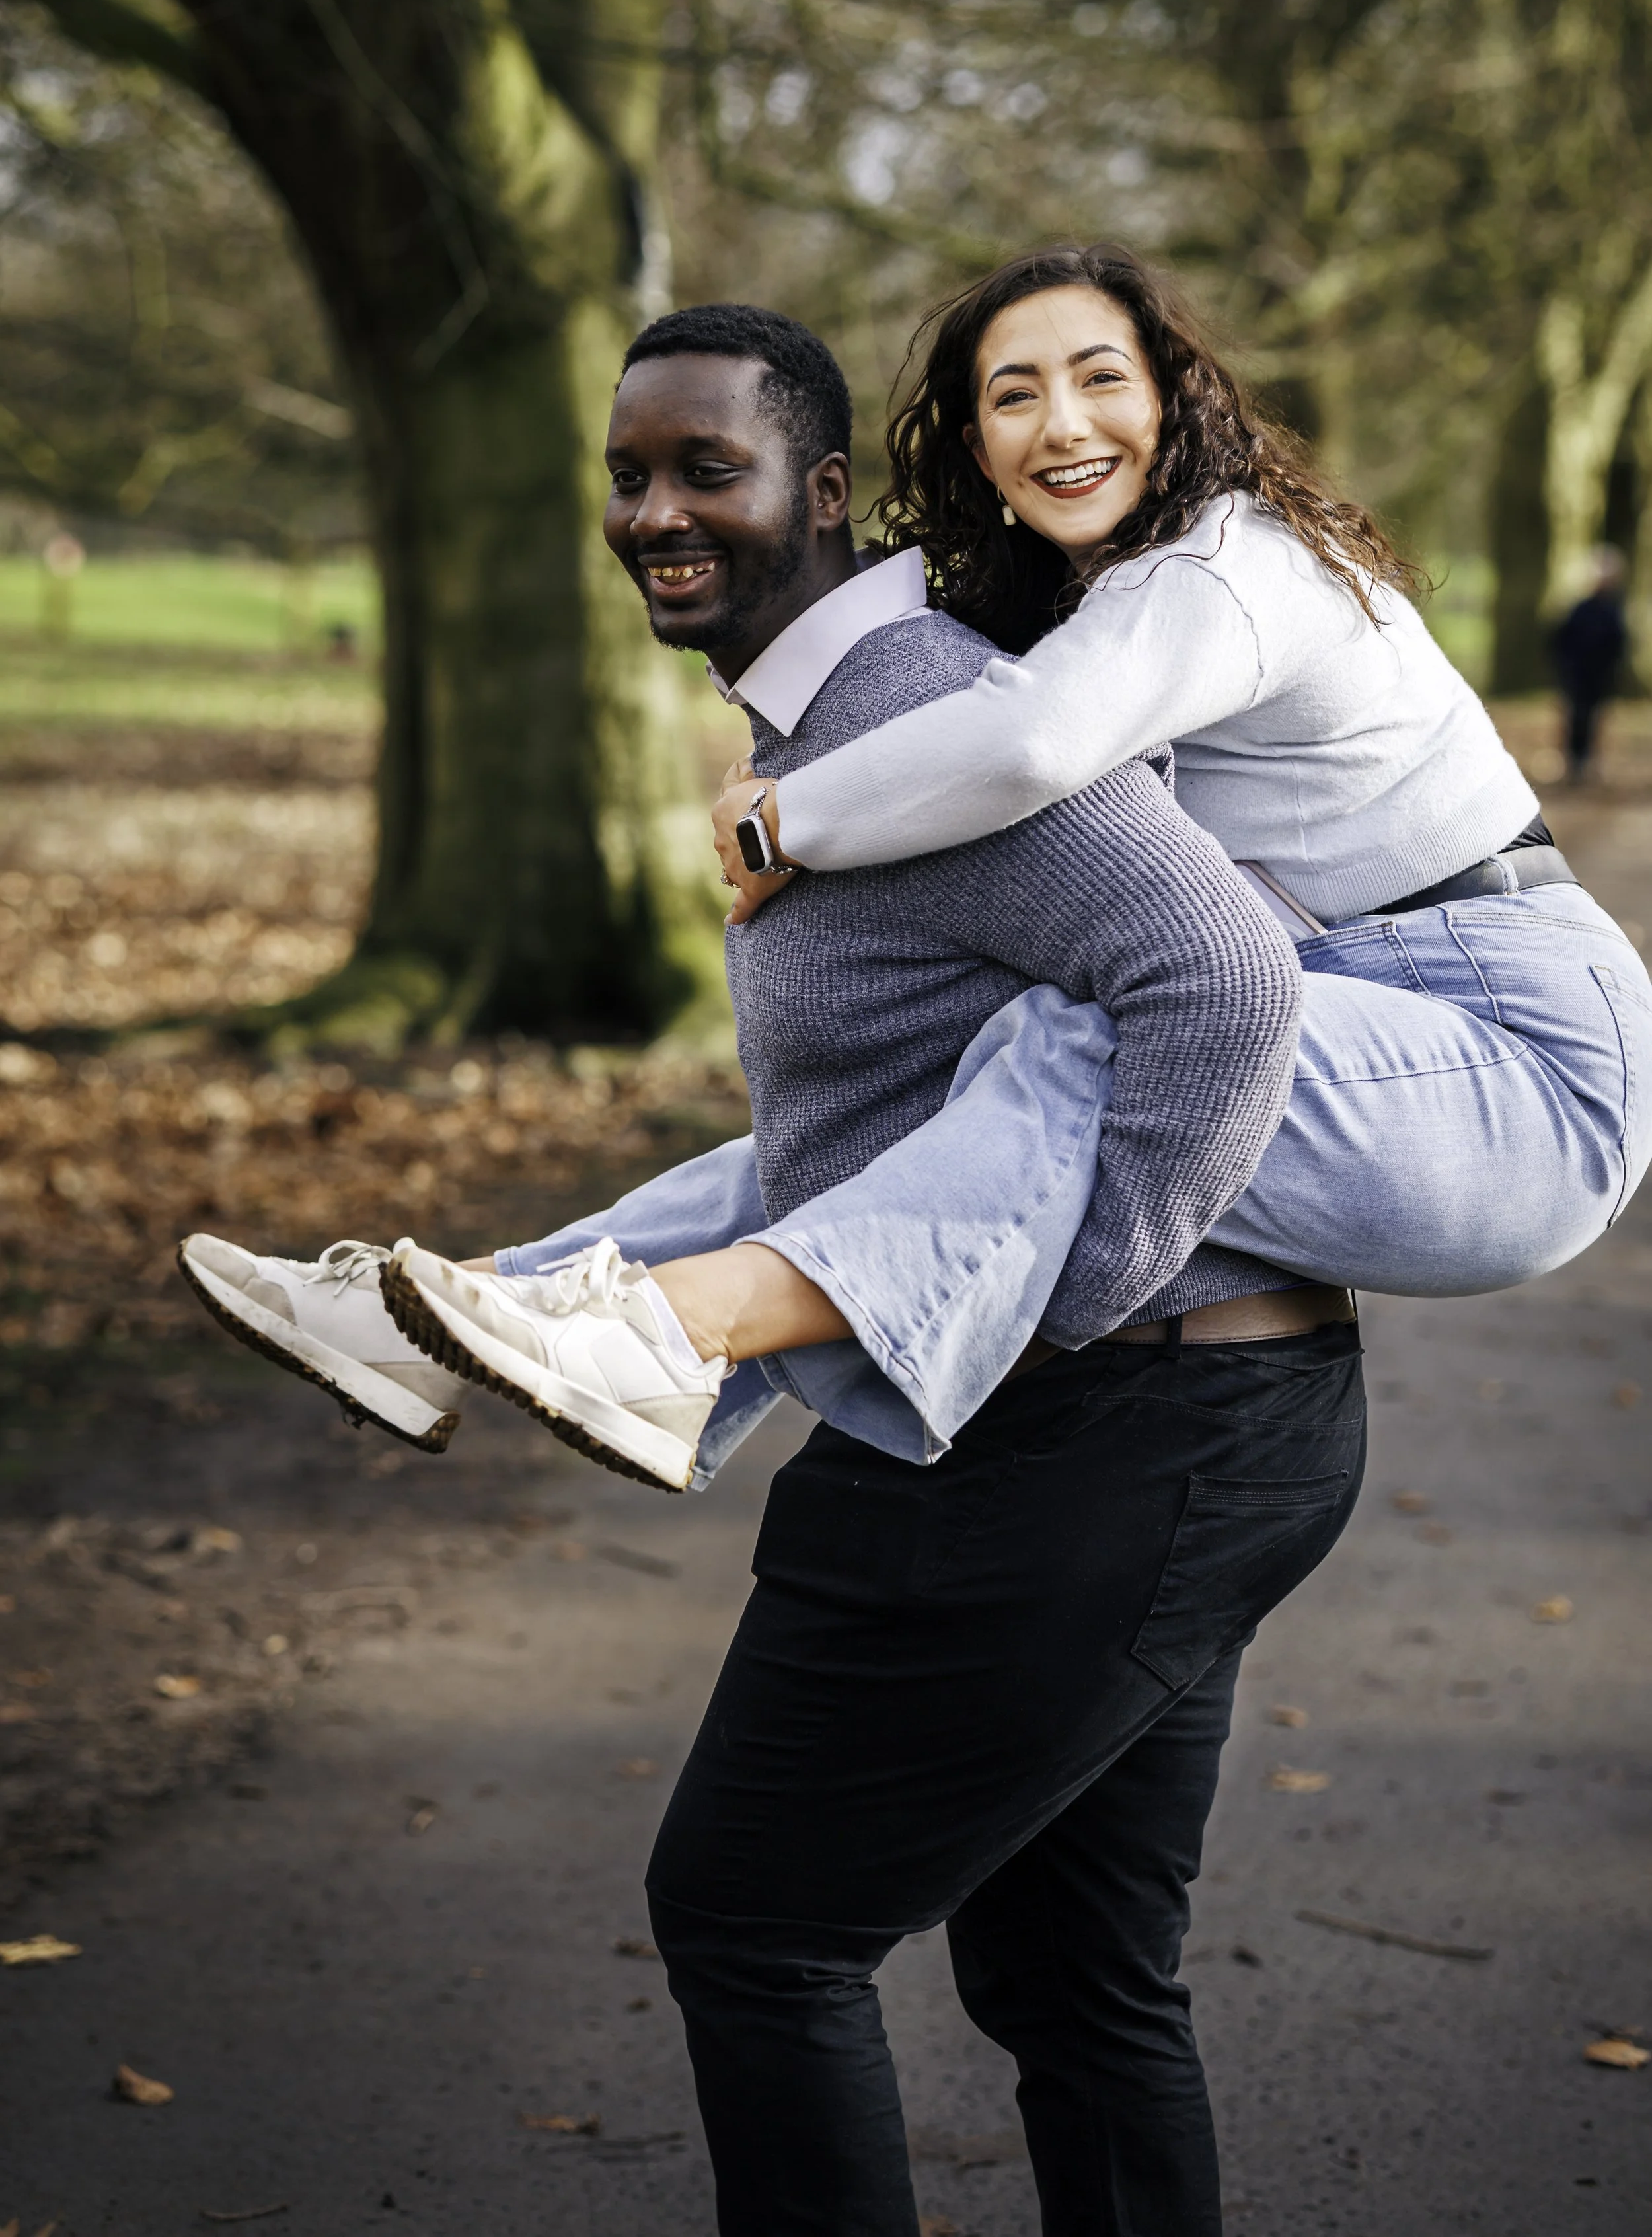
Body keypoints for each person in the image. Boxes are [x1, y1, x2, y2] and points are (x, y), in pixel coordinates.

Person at [420, 310, 1359, 2236]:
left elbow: (1219, 973)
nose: (655, 511)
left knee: (753, 1917)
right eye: (627, 474)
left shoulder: (900, 701)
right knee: (1070, 1980)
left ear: (827, 493)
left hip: (1106, 1429)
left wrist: (1086, 1281)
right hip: (1206, 1424)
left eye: (706, 468)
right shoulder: (859, 715)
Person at [181, 264, 1652, 1492]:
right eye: (1012, 395)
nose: (1059, 423)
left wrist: (784, 820)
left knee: (1070, 1045)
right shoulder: (1090, 599)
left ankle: (678, 1333)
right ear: (968, 442)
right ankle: (451, 1312)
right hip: (1396, 1022)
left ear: (1176, 398)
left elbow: (1031, 744)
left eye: (1099, 379)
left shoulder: (1218, 566)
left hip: (1516, 1067)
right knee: (947, 1101)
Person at [1550, 544, 1630, 782]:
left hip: (1600, 676)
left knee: (1595, 719)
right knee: (1576, 718)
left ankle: (1589, 763)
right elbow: (1560, 640)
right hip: (1577, 676)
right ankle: (1574, 763)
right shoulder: (1581, 610)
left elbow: (1618, 646)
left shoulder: (1613, 613)